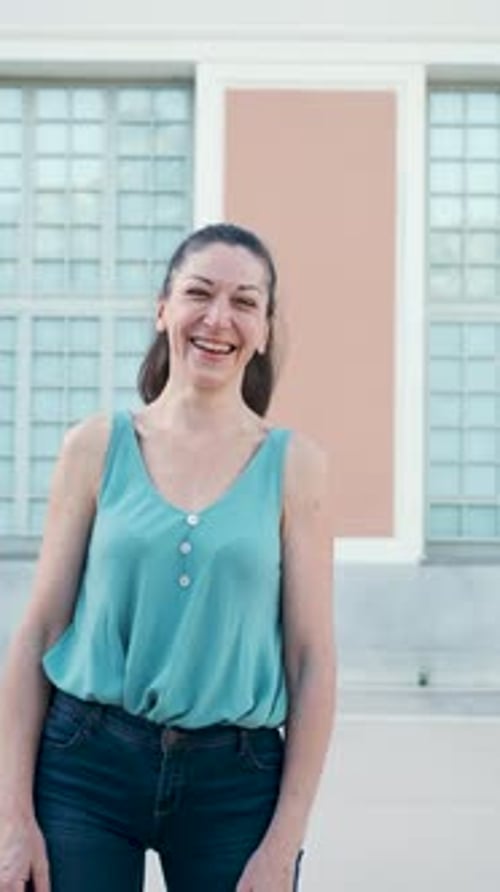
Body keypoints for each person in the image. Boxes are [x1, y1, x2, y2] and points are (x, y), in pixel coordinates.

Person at [0, 222, 336, 892]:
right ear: (163, 309)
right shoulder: (95, 447)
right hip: (84, 765)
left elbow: (311, 661)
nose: (219, 318)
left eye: (245, 302)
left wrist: (284, 845)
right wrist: (13, 818)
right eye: (199, 293)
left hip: (235, 779)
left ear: (265, 328)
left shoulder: (294, 466)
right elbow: (37, 633)